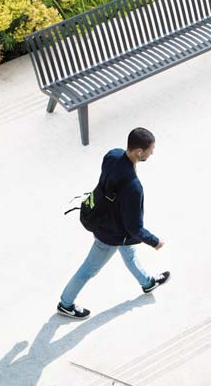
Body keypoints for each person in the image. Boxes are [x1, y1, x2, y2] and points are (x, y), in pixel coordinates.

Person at [57, 127, 169, 320]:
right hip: (110, 233)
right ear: (139, 152)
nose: (152, 153)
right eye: (150, 150)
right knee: (88, 270)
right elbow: (135, 227)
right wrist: (154, 241)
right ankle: (65, 304)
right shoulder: (134, 187)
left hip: (108, 221)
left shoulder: (113, 155)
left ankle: (147, 282)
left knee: (129, 253)